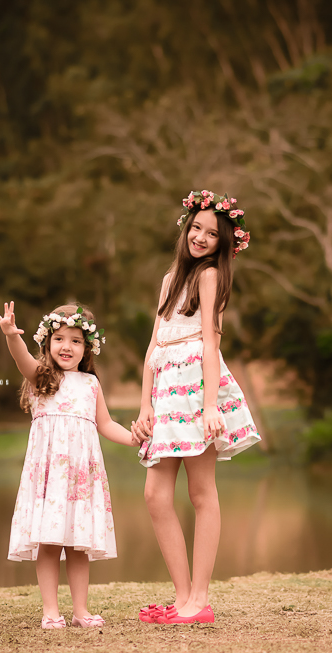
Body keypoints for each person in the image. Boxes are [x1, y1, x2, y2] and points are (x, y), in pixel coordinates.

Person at [131, 190, 261, 625]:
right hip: (166, 388)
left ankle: (199, 600)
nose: (201, 238)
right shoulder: (171, 280)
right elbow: (153, 345)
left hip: (195, 385)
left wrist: (209, 406)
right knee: (155, 494)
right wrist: (145, 402)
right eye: (197, 228)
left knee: (201, 491)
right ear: (185, 226)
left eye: (212, 234)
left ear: (223, 244)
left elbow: (210, 342)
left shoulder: (210, 277)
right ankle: (183, 595)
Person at [0, 301, 139, 629]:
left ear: (87, 347)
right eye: (59, 338)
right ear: (47, 342)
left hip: (80, 480)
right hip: (49, 476)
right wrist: (10, 335)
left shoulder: (91, 384)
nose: (67, 346)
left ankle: (81, 611)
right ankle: (50, 611)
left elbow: (106, 424)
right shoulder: (42, 377)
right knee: (49, 541)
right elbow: (21, 359)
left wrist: (136, 439)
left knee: (78, 544)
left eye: (76, 340)